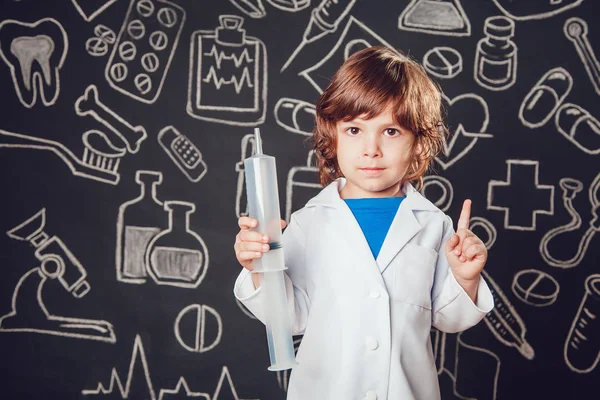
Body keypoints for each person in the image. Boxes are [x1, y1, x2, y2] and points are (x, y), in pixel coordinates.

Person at [233, 45, 494, 400]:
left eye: (390, 132)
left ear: (418, 142)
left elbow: (449, 319)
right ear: (333, 135)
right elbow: (288, 318)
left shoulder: (434, 226)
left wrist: (466, 278)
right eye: (354, 130)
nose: (371, 149)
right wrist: (258, 267)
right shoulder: (309, 223)